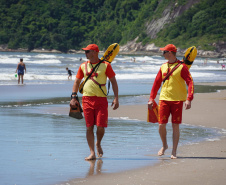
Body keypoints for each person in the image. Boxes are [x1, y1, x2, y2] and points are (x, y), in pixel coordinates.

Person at [70, 44, 119, 160]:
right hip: (86, 100)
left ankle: (98, 143)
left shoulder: (106, 66)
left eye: (88, 51)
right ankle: (92, 152)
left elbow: (113, 82)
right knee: (89, 127)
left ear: (95, 52)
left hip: (101, 100)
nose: (85, 53)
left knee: (101, 127)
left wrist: (116, 98)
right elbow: (77, 82)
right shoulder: (83, 66)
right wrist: (73, 97)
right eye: (85, 51)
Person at [148, 44, 194, 159]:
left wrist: (189, 99)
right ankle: (164, 146)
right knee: (161, 125)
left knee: (175, 126)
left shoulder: (182, 67)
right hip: (164, 99)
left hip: (177, 100)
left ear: (170, 53)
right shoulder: (163, 66)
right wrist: (151, 98)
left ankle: (174, 151)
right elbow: (156, 83)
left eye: (164, 52)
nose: (162, 54)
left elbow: (190, 82)